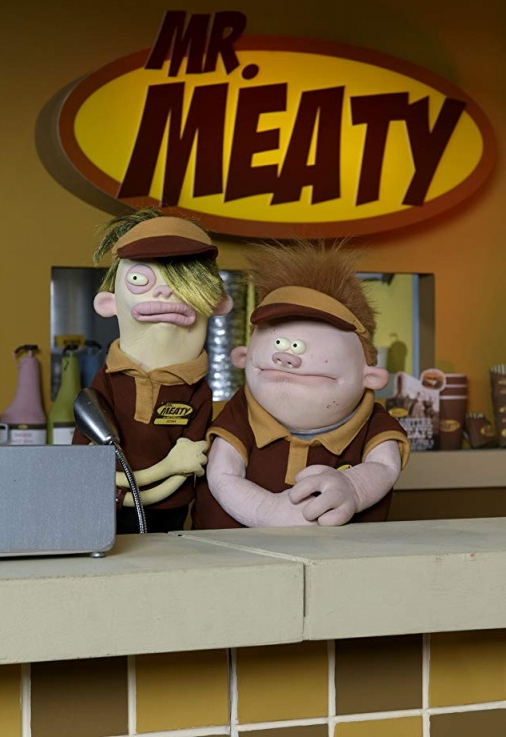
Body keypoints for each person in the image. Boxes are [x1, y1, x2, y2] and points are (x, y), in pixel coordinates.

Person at [192, 241, 410, 529]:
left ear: (369, 376)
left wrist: (354, 488)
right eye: (278, 341)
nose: (285, 357)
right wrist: (268, 511)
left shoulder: (373, 423)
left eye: (308, 344)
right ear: (242, 357)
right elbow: (222, 475)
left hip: (341, 554)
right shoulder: (240, 414)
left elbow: (384, 467)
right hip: (229, 551)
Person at [72, 208, 232, 534]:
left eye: (182, 281)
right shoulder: (106, 383)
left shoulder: (197, 391)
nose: (165, 291)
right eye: (139, 280)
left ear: (217, 303)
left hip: (172, 512)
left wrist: (169, 475)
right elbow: (84, 465)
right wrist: (160, 472)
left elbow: (191, 463)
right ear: (108, 304)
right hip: (104, 506)